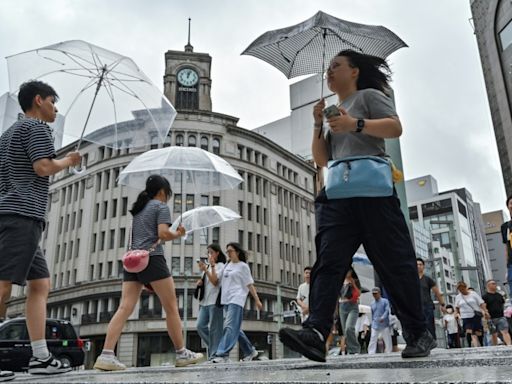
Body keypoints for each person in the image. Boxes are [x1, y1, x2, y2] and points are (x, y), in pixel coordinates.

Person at [279, 50, 433, 363]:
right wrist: (316, 123)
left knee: (395, 263)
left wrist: (355, 124)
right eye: (328, 68)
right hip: (338, 195)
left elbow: (394, 128)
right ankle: (316, 332)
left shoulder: (369, 96)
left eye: (336, 66)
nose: (329, 72)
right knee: (329, 262)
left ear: (354, 72)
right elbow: (322, 160)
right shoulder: (331, 111)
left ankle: (418, 332)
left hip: (375, 192)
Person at [0, 80, 82, 378]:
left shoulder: (6, 134)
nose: (55, 108)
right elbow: (43, 167)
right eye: (52, 101)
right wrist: (69, 160)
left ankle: (40, 357)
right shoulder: (36, 128)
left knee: (40, 284)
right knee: (4, 285)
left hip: (13, 213)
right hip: (22, 214)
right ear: (38, 100)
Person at [94, 175, 203, 370]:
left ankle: (106, 355)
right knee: (171, 307)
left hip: (132, 261)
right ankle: (181, 353)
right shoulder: (160, 207)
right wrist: (178, 233)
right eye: (168, 193)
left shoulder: (138, 210)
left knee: (124, 308)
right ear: (162, 192)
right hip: (152, 259)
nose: (167, 197)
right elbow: (162, 234)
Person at [210, 242, 263, 363]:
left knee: (229, 326)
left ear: (237, 252)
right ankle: (250, 351)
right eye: (227, 251)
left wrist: (257, 300)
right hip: (226, 300)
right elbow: (216, 281)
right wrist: (211, 267)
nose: (228, 253)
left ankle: (222, 354)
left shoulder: (243, 266)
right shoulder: (226, 265)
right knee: (235, 328)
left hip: (237, 298)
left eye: (230, 251)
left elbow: (249, 284)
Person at [196, 243, 226, 358]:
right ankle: (217, 347)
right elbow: (207, 282)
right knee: (200, 326)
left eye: (211, 252)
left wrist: (210, 268)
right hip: (205, 302)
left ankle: (214, 354)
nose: (209, 255)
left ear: (217, 253)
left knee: (215, 329)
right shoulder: (207, 267)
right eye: (208, 253)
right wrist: (200, 282)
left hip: (215, 301)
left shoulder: (221, 266)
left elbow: (214, 281)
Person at [417, 258, 446, 339]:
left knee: (429, 325)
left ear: (423, 266)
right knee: (418, 326)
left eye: (420, 264)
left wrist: (442, 304)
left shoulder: (428, 279)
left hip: (427, 306)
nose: (418, 266)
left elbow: (437, 292)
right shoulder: (412, 280)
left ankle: (432, 343)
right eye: (417, 265)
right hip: (416, 307)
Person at [455, 281, 489, 347]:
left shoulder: (473, 294)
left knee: (477, 332)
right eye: (460, 290)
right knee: (469, 331)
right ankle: (471, 346)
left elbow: (481, 303)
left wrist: (486, 311)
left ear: (465, 287)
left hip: (475, 315)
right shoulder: (458, 297)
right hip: (465, 316)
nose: (461, 291)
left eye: (462, 289)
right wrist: (456, 314)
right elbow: (456, 307)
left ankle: (481, 344)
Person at [482, 279, 512, 346]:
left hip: (501, 316)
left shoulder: (499, 295)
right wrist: (486, 313)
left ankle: (509, 345)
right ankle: (495, 347)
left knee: (505, 331)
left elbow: (502, 304)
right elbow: (483, 306)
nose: (495, 285)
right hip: (491, 318)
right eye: (493, 284)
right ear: (488, 286)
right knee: (493, 334)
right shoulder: (485, 296)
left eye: (495, 283)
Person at [338, 267, 361, 354]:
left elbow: (359, 294)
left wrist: (354, 284)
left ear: (351, 271)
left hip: (352, 306)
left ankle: (355, 348)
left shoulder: (355, 280)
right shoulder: (340, 281)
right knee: (345, 331)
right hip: (342, 306)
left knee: (349, 327)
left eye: (348, 271)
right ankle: (351, 350)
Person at [368, 287, 392, 354]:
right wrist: (372, 322)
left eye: (376, 293)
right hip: (375, 324)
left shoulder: (385, 301)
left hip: (384, 324)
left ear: (379, 293)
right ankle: (371, 352)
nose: (374, 295)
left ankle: (388, 351)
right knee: (373, 338)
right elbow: (372, 314)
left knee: (387, 339)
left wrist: (383, 317)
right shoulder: (372, 303)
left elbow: (387, 311)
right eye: (373, 294)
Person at [500, 195, 512, 296]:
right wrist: (507, 268)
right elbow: (506, 247)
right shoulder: (505, 226)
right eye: (511, 203)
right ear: (508, 206)